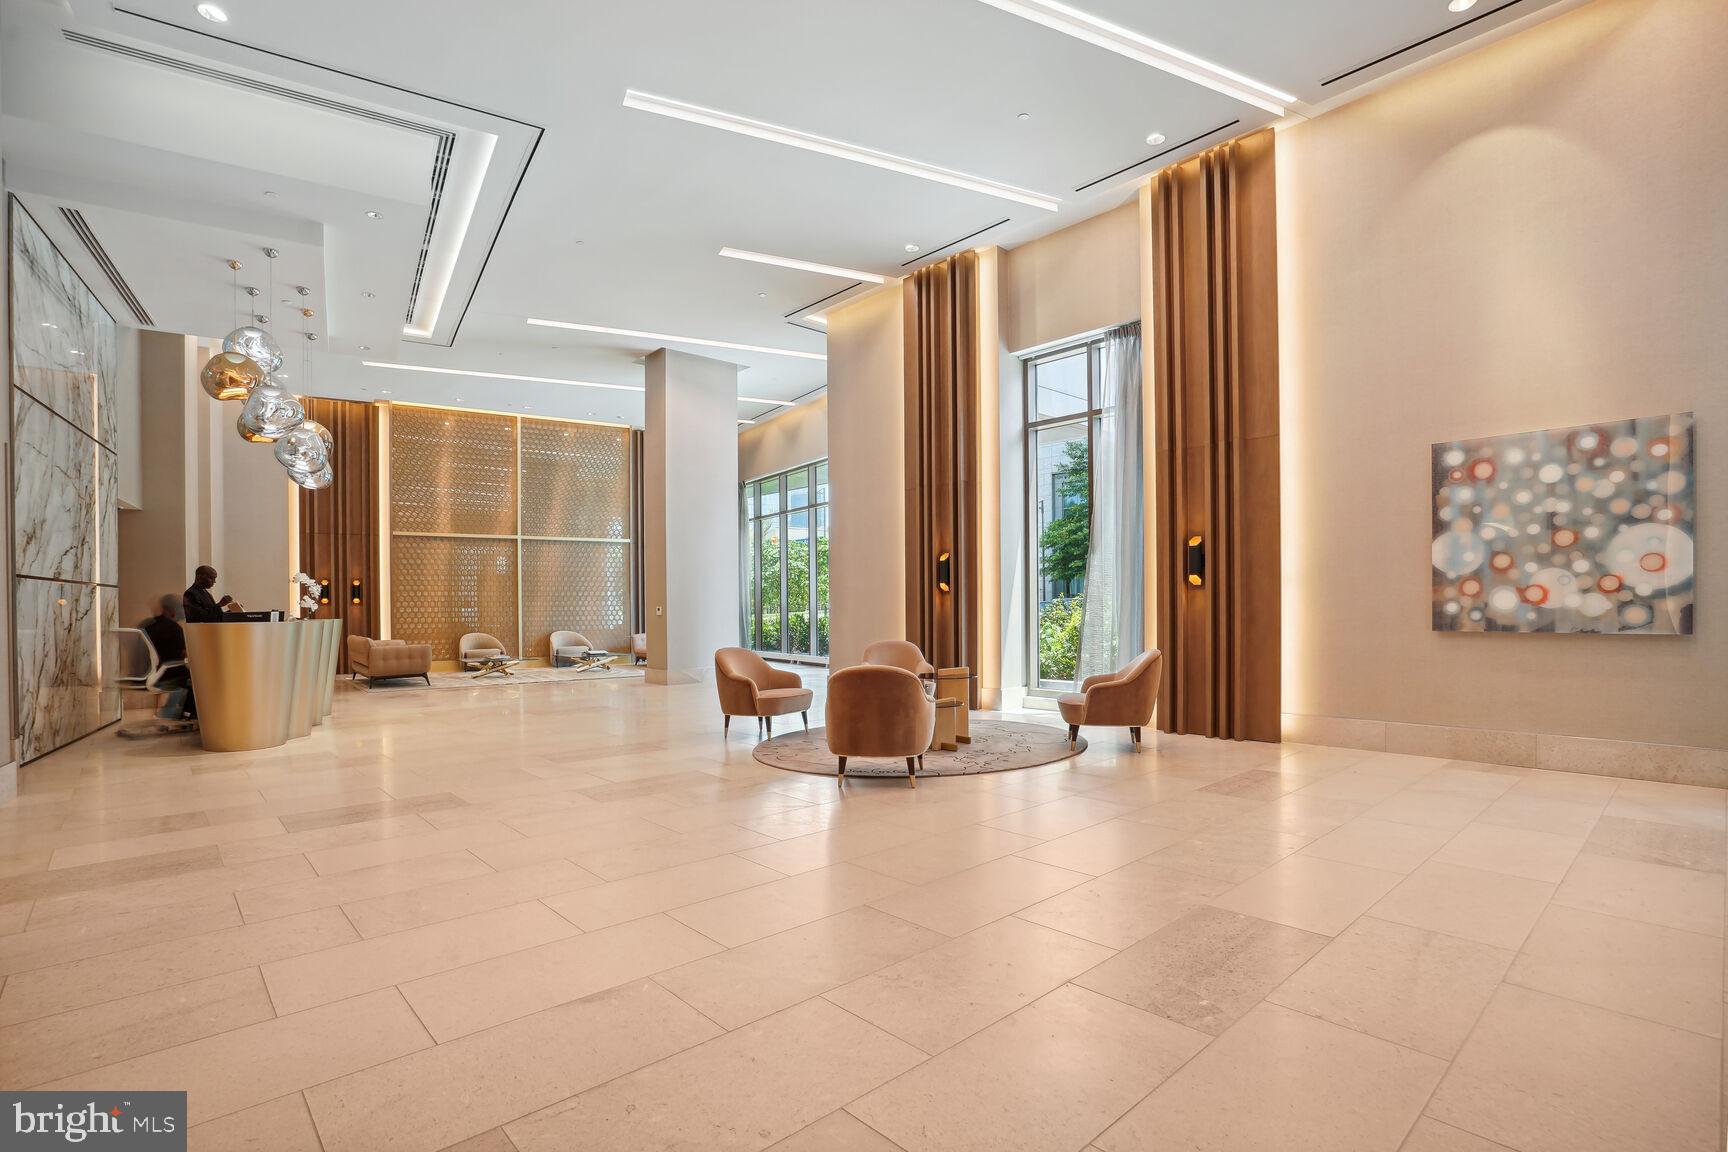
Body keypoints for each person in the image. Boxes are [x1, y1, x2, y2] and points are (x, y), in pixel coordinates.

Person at [142, 594, 196, 720]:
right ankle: (183, 716)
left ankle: (171, 715)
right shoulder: (174, 628)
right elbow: (185, 653)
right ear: (168, 609)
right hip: (167, 674)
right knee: (196, 680)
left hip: (145, 674)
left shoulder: (145, 625)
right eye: (180, 608)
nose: (182, 611)